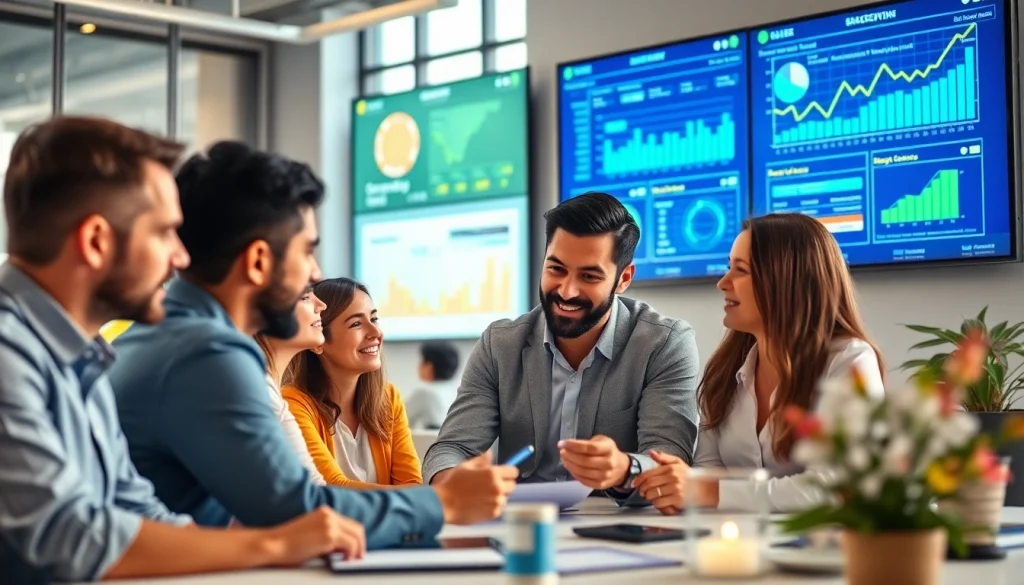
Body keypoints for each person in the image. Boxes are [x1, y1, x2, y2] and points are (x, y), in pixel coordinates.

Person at [0, 117, 367, 582]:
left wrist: (259, 550)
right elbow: (68, 537)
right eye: (163, 232)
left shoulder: (82, 355)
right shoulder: (8, 355)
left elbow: (138, 511)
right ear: (95, 242)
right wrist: (272, 543)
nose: (180, 256)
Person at [109, 142, 518, 548]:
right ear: (257, 262)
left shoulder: (158, 334)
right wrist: (442, 502)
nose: (315, 273)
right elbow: (297, 510)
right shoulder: (207, 355)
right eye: (307, 251)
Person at [422, 192, 700, 506]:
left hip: (615, 526)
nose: (567, 291)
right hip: (519, 524)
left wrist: (624, 469)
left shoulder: (663, 344)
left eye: (589, 276)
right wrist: (454, 482)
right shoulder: (500, 344)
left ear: (623, 279)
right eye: (556, 269)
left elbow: (671, 462)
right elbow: (451, 448)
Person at [633, 213, 885, 514]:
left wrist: (706, 489)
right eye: (729, 268)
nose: (723, 283)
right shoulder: (727, 368)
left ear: (785, 281)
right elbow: (709, 472)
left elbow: (839, 487)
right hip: (739, 543)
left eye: (740, 271)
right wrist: (678, 482)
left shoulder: (849, 360)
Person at [283, 277, 421, 488]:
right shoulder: (292, 404)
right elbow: (332, 488)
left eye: (374, 319)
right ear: (319, 342)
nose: (376, 333)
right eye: (356, 324)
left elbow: (412, 485)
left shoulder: (388, 399)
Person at [254, 286, 328, 485]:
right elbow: (309, 493)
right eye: (305, 296)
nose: (321, 305)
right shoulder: (260, 393)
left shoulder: (270, 391)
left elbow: (313, 486)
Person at [405, 341, 461, 430]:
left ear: (429, 366)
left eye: (422, 361)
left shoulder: (424, 392)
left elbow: (396, 421)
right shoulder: (457, 390)